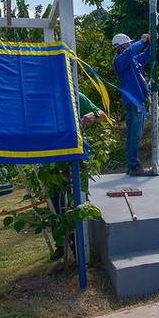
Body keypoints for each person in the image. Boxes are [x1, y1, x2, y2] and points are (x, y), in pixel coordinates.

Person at [50, 92, 110, 260]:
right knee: (56, 205)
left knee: (78, 202)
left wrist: (94, 114)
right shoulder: (38, 94)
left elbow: (104, 116)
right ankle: (62, 245)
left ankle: (79, 243)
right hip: (50, 161)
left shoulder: (74, 94)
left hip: (75, 158)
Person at [113, 32, 151, 176]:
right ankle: (133, 165)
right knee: (134, 134)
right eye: (128, 44)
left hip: (139, 101)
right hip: (133, 101)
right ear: (122, 48)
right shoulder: (120, 61)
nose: (130, 47)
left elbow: (147, 56)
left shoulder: (133, 60)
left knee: (137, 133)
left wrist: (151, 43)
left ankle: (133, 164)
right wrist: (142, 41)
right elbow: (131, 51)